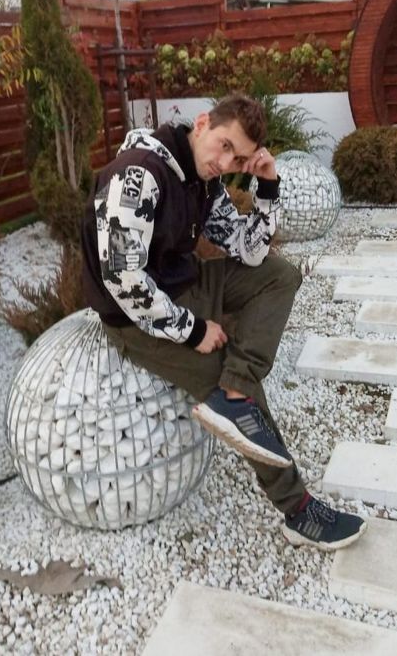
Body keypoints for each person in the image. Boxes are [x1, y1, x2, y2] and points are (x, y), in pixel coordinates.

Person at [81, 95, 366, 550]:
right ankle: (297, 509)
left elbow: (249, 251)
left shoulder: (203, 180)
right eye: (224, 145)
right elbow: (123, 280)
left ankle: (236, 389)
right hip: (136, 320)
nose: (225, 161)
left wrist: (267, 186)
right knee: (237, 385)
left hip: (188, 284)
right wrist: (194, 330)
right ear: (201, 124)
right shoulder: (138, 175)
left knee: (279, 276)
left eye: (238, 157)